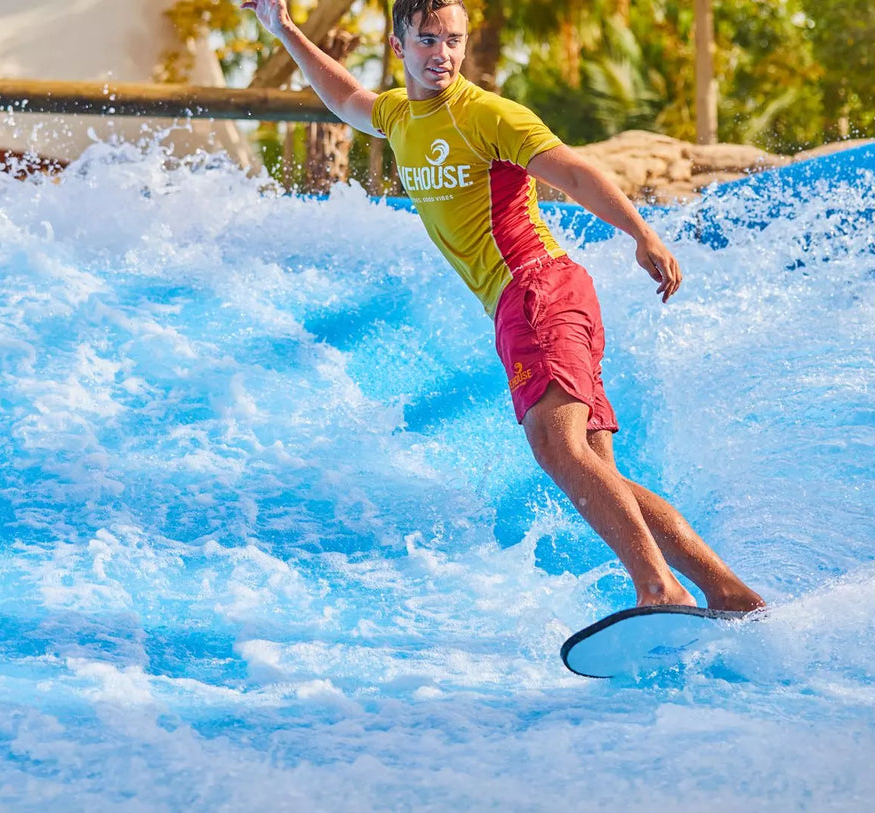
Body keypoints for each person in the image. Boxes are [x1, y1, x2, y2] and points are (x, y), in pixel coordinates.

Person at [243, 0, 764, 612]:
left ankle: (659, 590)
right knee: (598, 470)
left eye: (454, 41)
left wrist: (640, 232)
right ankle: (728, 593)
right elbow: (345, 96)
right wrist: (286, 30)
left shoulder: (484, 114)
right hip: (533, 299)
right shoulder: (399, 115)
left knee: (555, 445)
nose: (442, 54)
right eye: (428, 40)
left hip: (538, 290)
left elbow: (571, 171)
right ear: (398, 45)